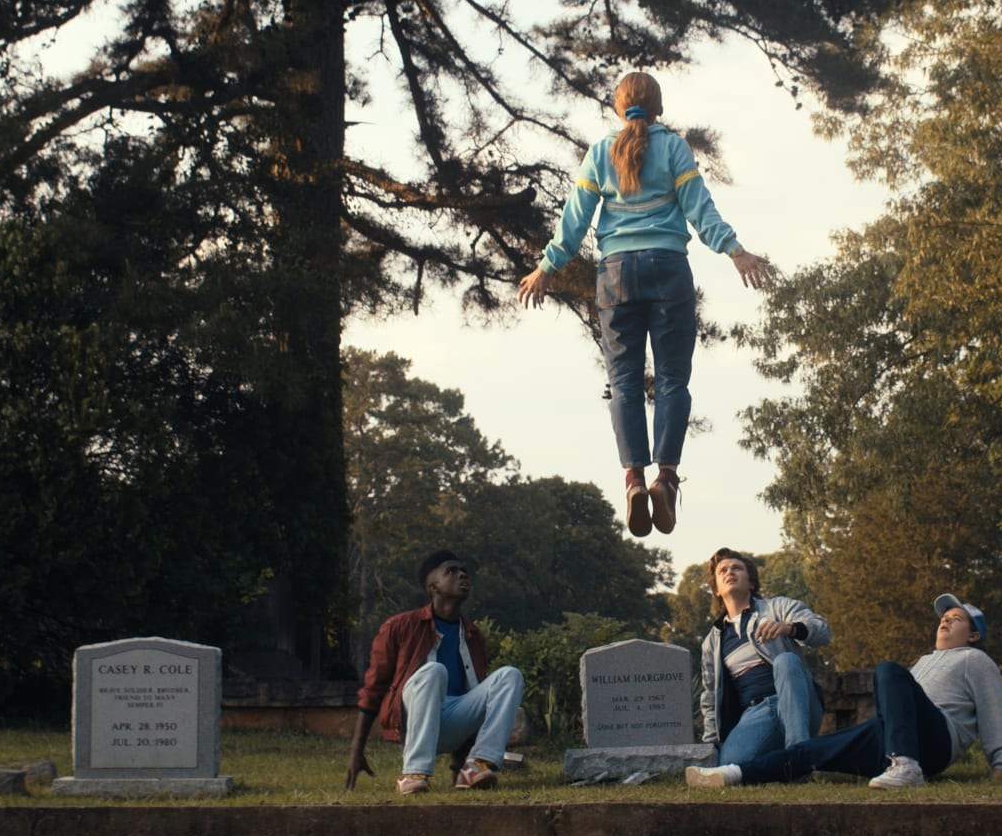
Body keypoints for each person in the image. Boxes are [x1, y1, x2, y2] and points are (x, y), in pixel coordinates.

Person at [517, 71, 773, 537]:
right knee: (673, 379)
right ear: (658, 107)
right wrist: (735, 251)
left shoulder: (600, 154)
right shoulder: (674, 148)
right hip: (668, 269)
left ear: (619, 109)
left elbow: (574, 222)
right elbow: (699, 208)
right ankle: (667, 478)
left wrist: (546, 267)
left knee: (624, 383)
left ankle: (633, 479)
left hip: (615, 276)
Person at [686, 593, 1002, 789]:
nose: (944, 620)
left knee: (888, 670)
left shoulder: (976, 660)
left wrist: (1001, 768)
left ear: (973, 635)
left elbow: (995, 712)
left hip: (935, 741)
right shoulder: (923, 662)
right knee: (812, 751)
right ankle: (732, 774)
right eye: (943, 617)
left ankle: (906, 766)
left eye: (955, 618)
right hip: (891, 738)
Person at [345, 550, 525, 795]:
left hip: (452, 724)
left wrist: (457, 764)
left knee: (510, 675)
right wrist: (357, 751)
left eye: (464, 572)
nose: (462, 575)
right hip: (413, 720)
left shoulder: (473, 635)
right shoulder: (400, 626)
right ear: (433, 587)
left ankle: (476, 766)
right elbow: (374, 689)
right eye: (451, 571)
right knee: (434, 671)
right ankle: (413, 773)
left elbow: (471, 692)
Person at [698, 548, 830, 766]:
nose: (729, 572)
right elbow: (710, 698)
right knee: (731, 763)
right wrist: (710, 748)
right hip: (756, 713)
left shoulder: (778, 607)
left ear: (751, 583)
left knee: (785, 661)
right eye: (723, 570)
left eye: (737, 568)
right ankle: (781, 760)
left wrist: (788, 628)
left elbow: (822, 632)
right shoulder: (712, 642)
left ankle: (800, 756)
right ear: (717, 591)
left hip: (797, 701)